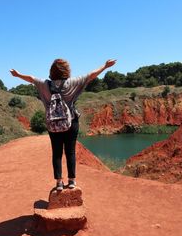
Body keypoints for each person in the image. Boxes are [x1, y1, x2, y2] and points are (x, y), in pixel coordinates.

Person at [10, 58, 116, 190]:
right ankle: (71, 181)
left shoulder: (45, 84)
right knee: (70, 152)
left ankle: (59, 182)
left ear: (52, 71)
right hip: (71, 122)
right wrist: (105, 66)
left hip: (53, 124)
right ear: (66, 71)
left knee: (57, 153)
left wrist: (17, 74)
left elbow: (31, 78)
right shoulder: (72, 83)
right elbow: (90, 76)